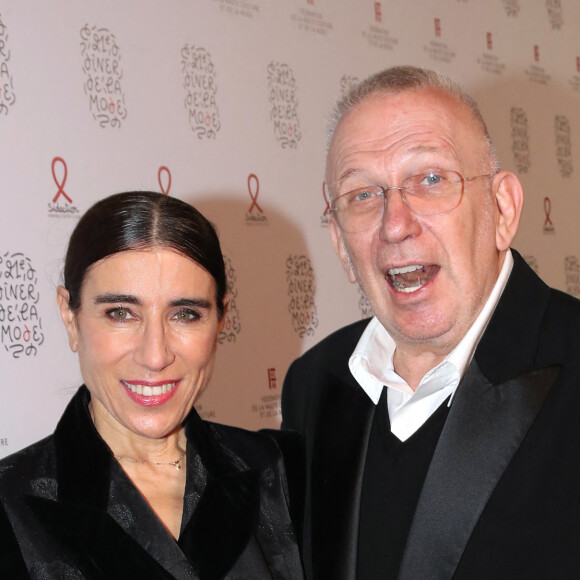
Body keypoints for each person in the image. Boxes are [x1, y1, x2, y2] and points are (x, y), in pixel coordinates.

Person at [282, 65, 580, 580]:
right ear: (340, 245)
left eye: (431, 179)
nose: (395, 224)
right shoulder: (314, 386)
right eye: (363, 196)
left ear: (502, 208)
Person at [0, 191, 304, 579]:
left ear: (220, 319)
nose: (155, 355)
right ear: (70, 316)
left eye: (185, 314)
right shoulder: (10, 503)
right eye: (121, 313)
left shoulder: (280, 471)